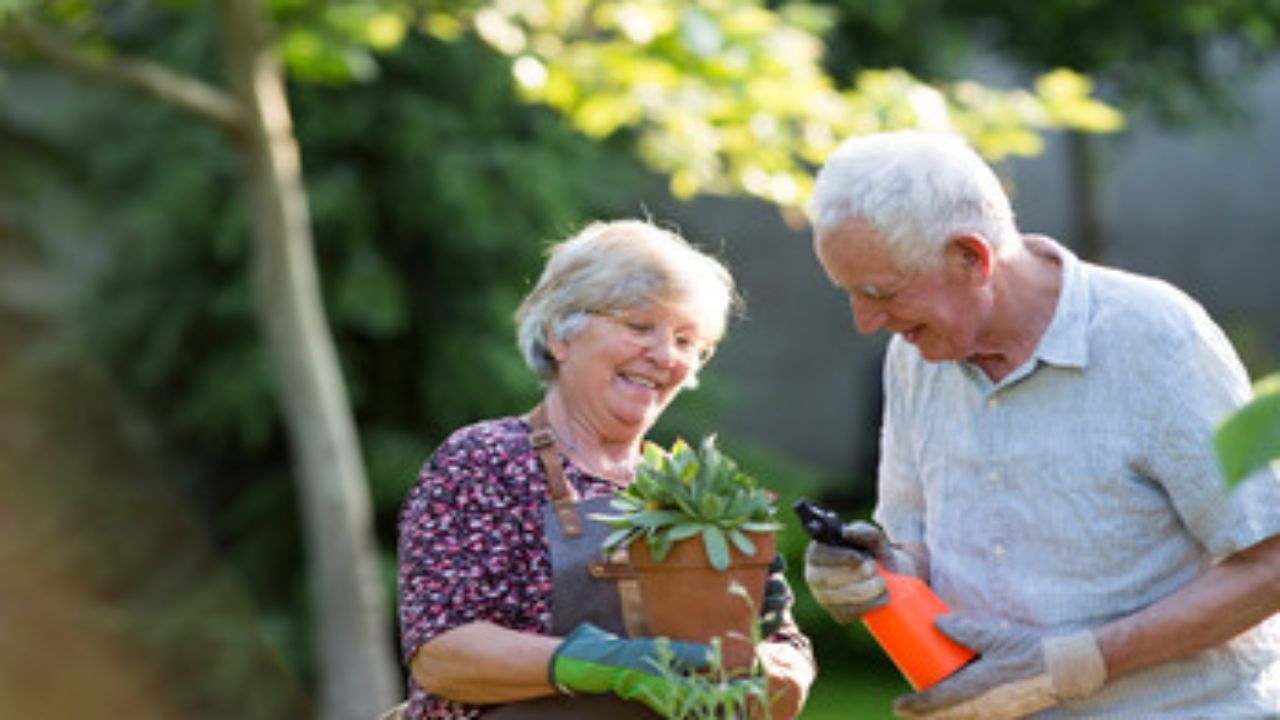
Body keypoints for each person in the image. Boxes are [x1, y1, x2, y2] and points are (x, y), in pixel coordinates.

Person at [801, 130, 1280, 718]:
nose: (865, 321)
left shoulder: (1155, 338)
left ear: (971, 257)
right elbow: (920, 544)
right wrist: (881, 572)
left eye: (880, 292)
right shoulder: (915, 357)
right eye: (850, 293)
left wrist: (1077, 663)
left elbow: (1269, 563)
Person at [392, 219, 816, 720]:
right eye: (639, 327)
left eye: (686, 340)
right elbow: (441, 657)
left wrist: (774, 666)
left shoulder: (692, 489)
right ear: (559, 335)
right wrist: (601, 663)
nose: (663, 356)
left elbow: (781, 643)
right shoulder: (485, 461)